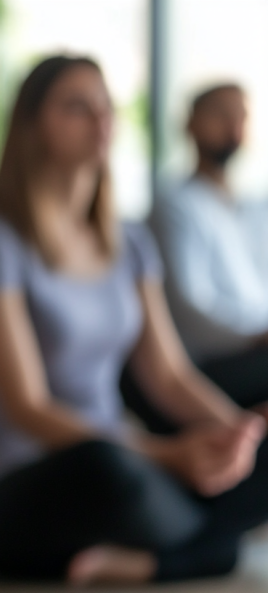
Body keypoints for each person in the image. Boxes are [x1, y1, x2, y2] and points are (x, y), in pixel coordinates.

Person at [0, 55, 268, 585]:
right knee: (107, 463)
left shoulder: (128, 243)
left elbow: (169, 375)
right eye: (77, 108)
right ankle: (209, 549)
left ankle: (157, 556)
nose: (101, 121)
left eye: (106, 107)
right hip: (34, 487)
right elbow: (27, 406)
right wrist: (165, 456)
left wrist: (232, 434)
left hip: (129, 458)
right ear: (32, 126)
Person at [121, 83, 268, 433]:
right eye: (220, 115)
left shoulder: (251, 209)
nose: (233, 126)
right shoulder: (175, 206)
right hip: (207, 362)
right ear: (190, 124)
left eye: (241, 117)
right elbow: (191, 311)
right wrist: (258, 336)